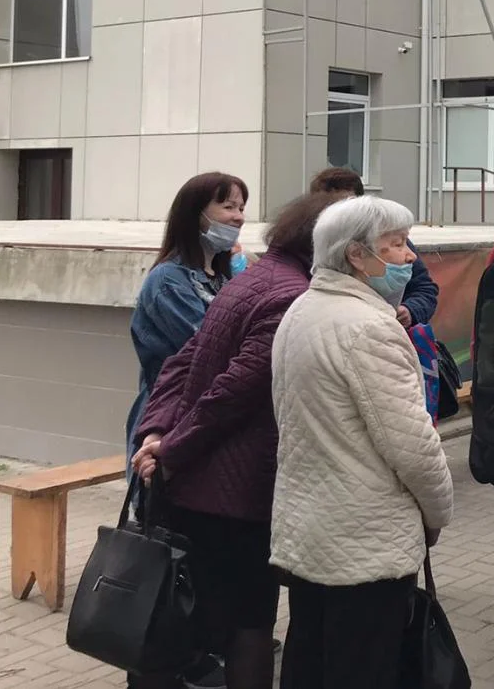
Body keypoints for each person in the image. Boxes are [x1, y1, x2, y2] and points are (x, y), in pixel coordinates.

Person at [130, 192, 338, 689]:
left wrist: (158, 432)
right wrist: (168, 445)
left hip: (197, 484)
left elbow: (185, 362)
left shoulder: (251, 279)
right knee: (248, 626)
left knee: (183, 618)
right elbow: (231, 392)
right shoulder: (291, 296)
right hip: (236, 495)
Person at [270, 196, 454, 689]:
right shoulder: (371, 329)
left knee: (310, 660)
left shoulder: (302, 311)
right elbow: (414, 448)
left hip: (311, 531)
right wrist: (438, 514)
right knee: (363, 668)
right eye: (396, 245)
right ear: (356, 254)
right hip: (366, 544)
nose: (409, 256)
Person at [126, 171, 249, 462]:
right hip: (170, 421)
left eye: (242, 208)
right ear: (195, 214)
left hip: (209, 418)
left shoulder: (222, 276)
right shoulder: (169, 280)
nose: (239, 218)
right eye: (228, 207)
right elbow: (209, 350)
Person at [308, 167, 438, 329]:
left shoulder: (389, 241)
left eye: (349, 206)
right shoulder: (300, 249)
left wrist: (411, 310)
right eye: (333, 207)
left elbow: (424, 288)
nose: (410, 256)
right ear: (356, 254)